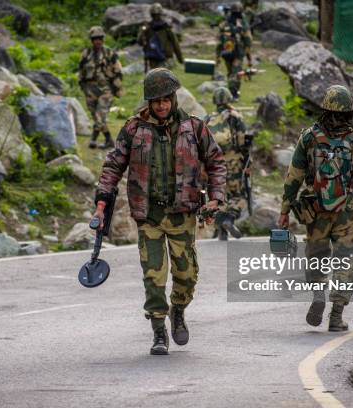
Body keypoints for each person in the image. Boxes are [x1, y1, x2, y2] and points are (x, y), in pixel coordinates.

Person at [92, 68, 226, 355]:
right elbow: (113, 166)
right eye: (156, 101)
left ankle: (178, 309)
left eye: (166, 99)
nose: (162, 106)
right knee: (154, 277)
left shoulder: (194, 128)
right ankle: (158, 330)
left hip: (182, 214)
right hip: (149, 215)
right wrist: (102, 201)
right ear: (149, 102)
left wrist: (216, 197)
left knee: (186, 274)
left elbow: (216, 162)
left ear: (173, 98)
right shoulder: (133, 129)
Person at [278, 85, 353, 332]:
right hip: (345, 212)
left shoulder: (309, 137)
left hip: (315, 209)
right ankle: (336, 315)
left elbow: (294, 176)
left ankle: (318, 293)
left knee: (316, 256)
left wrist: (284, 210)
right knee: (345, 261)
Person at [205, 87, 251, 240]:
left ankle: (221, 231)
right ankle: (229, 219)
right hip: (233, 161)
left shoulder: (208, 118)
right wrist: (246, 161)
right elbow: (242, 141)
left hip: (214, 164)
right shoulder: (235, 116)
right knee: (238, 195)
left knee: (219, 196)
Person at [78, 26, 123, 149]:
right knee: (95, 116)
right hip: (90, 89)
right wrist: (82, 86)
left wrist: (117, 89)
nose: (98, 41)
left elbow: (118, 71)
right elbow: (81, 70)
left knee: (100, 115)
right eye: (95, 39)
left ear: (103, 39)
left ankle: (92, 139)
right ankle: (109, 140)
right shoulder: (86, 53)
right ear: (91, 40)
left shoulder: (110, 53)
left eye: (100, 38)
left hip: (106, 89)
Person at [215, 2, 252, 101]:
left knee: (231, 73)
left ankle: (233, 92)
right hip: (237, 53)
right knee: (235, 73)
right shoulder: (242, 23)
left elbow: (219, 41)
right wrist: (247, 53)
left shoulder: (225, 23)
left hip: (226, 52)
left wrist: (218, 56)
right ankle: (234, 93)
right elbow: (248, 40)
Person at [137, 3, 184, 71]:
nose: (156, 16)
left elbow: (175, 43)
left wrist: (180, 59)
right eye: (155, 15)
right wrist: (180, 60)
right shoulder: (150, 28)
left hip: (160, 59)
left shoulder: (151, 27)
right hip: (159, 59)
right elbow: (175, 44)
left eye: (157, 15)